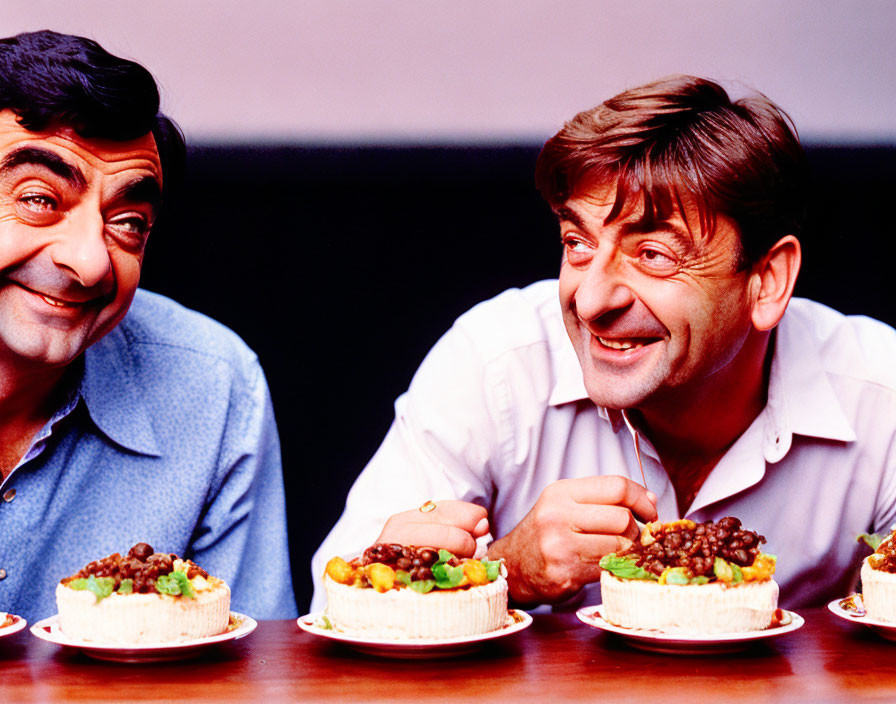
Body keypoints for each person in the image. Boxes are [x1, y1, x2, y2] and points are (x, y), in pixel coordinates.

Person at [311, 75, 896, 613]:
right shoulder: (497, 361)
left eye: (653, 254)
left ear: (766, 282)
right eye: (577, 244)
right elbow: (333, 604)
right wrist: (507, 570)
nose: (591, 302)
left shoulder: (881, 394)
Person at [0, 30, 296, 622]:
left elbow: (252, 668)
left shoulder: (212, 384)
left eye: (128, 223)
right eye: (39, 198)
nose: (88, 262)